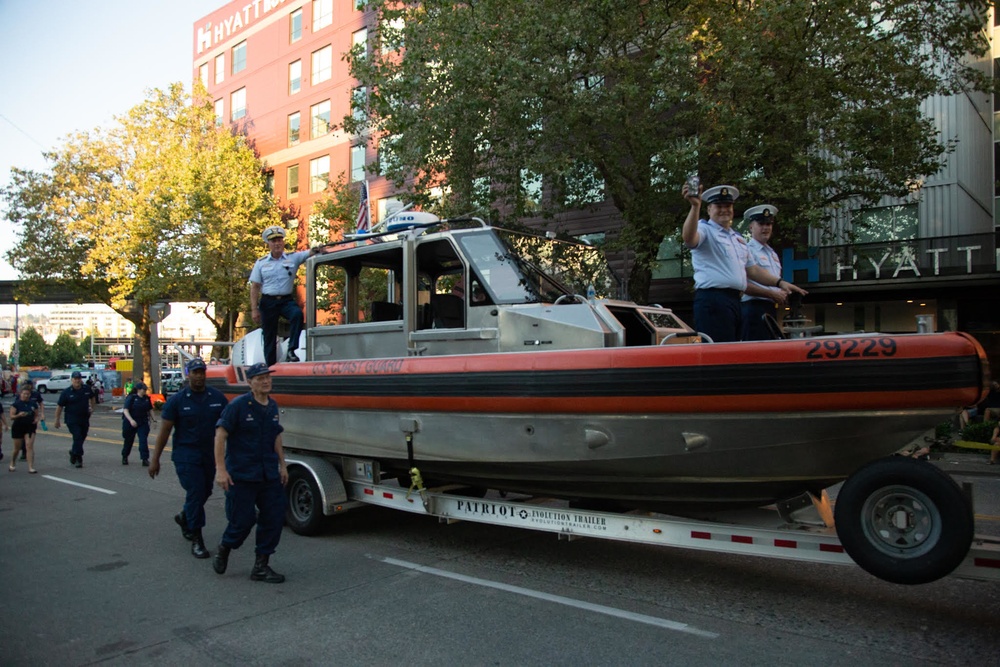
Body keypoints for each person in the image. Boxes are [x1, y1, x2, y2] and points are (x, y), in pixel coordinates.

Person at [681, 183, 807, 343]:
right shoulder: (706, 229)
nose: (724, 210)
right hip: (713, 299)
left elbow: (753, 270)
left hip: (734, 300)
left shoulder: (737, 238)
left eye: (728, 205)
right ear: (709, 209)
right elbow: (689, 238)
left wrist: (780, 283)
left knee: (734, 352)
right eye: (718, 206)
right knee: (718, 354)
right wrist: (694, 206)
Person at [212, 362, 289, 583]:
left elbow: (276, 435)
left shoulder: (272, 406)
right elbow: (220, 435)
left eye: (268, 377)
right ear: (250, 382)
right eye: (260, 378)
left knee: (274, 518)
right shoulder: (238, 406)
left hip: (268, 475)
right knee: (242, 521)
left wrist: (282, 465)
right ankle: (225, 547)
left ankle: (261, 566)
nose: (266, 381)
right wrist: (220, 470)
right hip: (242, 475)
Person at [149, 358, 229, 559]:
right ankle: (196, 538)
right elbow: (165, 431)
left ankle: (185, 516)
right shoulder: (178, 400)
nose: (199, 376)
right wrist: (155, 459)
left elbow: (228, 427)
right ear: (188, 375)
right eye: (195, 372)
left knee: (205, 491)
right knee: (195, 492)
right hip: (186, 455)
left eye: (202, 372)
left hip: (209, 454)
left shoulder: (217, 398)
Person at [249, 225, 321, 366]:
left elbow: (310, 253)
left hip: (286, 300)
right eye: (274, 241)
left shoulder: (292, 258)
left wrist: (320, 248)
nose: (277, 243)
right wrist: (254, 309)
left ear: (283, 242)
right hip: (268, 301)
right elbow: (255, 287)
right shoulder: (261, 263)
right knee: (269, 335)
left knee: (297, 315)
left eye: (279, 240)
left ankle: (291, 351)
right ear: (268, 244)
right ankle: (271, 366)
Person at [740, 205, 789, 341]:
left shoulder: (772, 253)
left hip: (770, 308)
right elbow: (743, 284)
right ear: (751, 227)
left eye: (769, 224)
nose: (766, 228)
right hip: (753, 308)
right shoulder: (747, 250)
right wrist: (772, 293)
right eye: (761, 224)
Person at [54, 370, 96, 468]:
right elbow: (59, 406)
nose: (77, 381)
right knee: (77, 436)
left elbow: (93, 398)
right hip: (72, 419)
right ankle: (78, 458)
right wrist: (57, 420)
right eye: (75, 379)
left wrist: (92, 408)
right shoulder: (66, 392)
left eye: (79, 379)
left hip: (84, 418)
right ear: (72, 380)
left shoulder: (86, 389)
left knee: (82, 437)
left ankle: (73, 452)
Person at [8, 386, 40, 473]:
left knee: (29, 446)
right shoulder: (16, 404)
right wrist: (19, 415)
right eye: (24, 394)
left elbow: (37, 414)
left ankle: (31, 467)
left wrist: (36, 419)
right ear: (20, 394)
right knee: (17, 448)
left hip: (30, 427)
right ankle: (12, 462)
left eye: (28, 394)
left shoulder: (33, 404)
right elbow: (11, 416)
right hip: (18, 427)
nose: (26, 396)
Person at [121, 382, 154, 466]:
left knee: (143, 440)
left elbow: (150, 409)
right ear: (138, 390)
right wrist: (131, 420)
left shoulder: (146, 398)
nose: (145, 391)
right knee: (129, 440)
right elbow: (126, 410)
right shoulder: (131, 398)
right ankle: (125, 456)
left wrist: (154, 420)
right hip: (130, 422)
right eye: (144, 389)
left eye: (146, 390)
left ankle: (145, 459)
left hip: (142, 421)